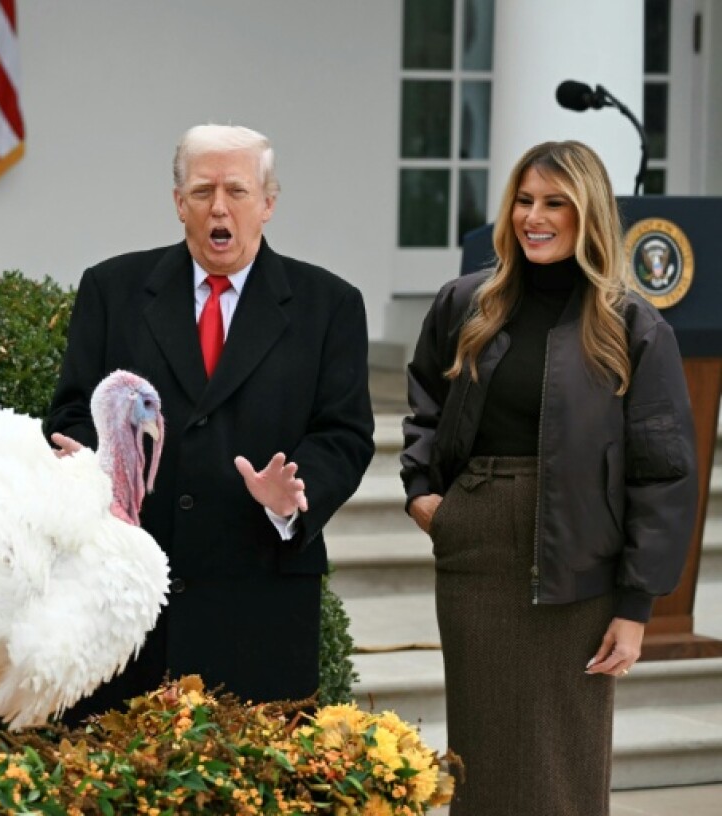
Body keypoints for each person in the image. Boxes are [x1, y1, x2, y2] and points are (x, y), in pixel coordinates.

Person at [400, 140, 696, 815]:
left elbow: (663, 473)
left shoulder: (631, 327)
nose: (535, 216)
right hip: (476, 550)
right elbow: (424, 403)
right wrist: (426, 498)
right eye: (525, 201)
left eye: (555, 202)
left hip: (579, 561)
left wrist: (635, 605)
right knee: (480, 752)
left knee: (566, 754)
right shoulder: (466, 304)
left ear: (588, 214)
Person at [46, 124, 375, 719]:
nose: (218, 207)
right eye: (202, 192)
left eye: (237, 191)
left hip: (258, 608)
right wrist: (91, 468)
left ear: (268, 203)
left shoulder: (329, 305)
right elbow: (74, 409)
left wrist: (293, 494)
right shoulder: (112, 290)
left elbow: (345, 433)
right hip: (126, 605)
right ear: (178, 203)